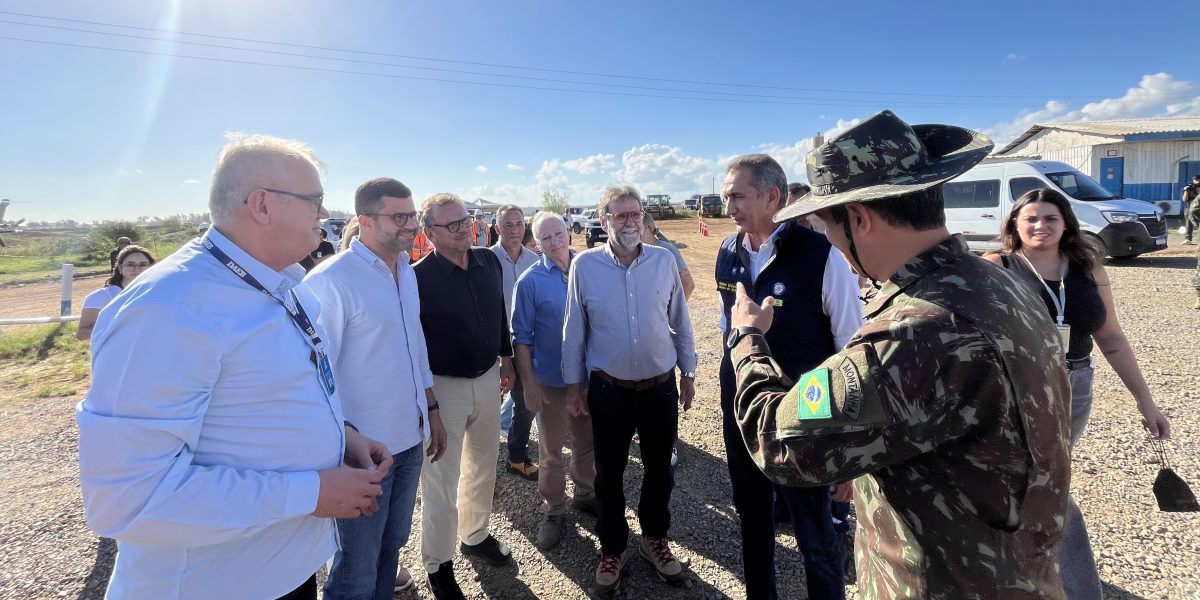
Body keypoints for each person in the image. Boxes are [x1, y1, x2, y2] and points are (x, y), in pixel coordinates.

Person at [728, 110, 1072, 598]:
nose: (829, 242)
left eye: (827, 225)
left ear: (861, 218)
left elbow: (778, 440)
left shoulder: (917, 331)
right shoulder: (1000, 282)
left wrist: (746, 339)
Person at [77, 133, 392, 599]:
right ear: (262, 205)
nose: (325, 216)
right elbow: (126, 500)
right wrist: (312, 493)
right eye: (316, 201)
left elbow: (270, 395)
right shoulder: (168, 307)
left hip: (286, 572)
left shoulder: (286, 282)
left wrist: (342, 437)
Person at [984, 188, 1171, 599]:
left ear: (1066, 223)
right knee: (1043, 480)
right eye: (1030, 218)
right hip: (1018, 385)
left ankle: (1048, 575)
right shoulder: (997, 267)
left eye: (1050, 218)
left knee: (1043, 478)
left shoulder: (1087, 269)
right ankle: (1070, 586)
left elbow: (1113, 340)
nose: (1040, 226)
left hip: (1075, 384)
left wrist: (1146, 401)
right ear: (1015, 224)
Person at [716, 153, 861, 600]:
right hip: (744, 412)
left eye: (737, 196)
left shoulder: (822, 255)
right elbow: (729, 330)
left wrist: (850, 448)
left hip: (809, 415)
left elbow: (851, 350)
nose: (728, 208)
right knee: (753, 521)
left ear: (772, 196)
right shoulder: (727, 251)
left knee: (814, 533)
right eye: (726, 197)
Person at [305, 177, 450, 600]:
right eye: (399, 216)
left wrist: (433, 409)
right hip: (362, 455)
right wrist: (340, 445)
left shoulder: (405, 270)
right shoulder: (332, 280)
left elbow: (415, 348)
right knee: (355, 567)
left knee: (390, 548)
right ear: (366, 221)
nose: (411, 224)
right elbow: (315, 374)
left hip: (409, 439)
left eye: (412, 215)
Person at [563, 185, 697, 595]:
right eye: (619, 216)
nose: (629, 221)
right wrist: (574, 386)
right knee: (609, 474)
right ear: (603, 222)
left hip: (659, 390)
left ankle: (654, 538)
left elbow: (681, 320)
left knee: (660, 469)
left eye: (635, 214)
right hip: (609, 391)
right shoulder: (584, 267)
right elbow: (574, 331)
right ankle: (612, 546)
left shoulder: (663, 261)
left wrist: (688, 373)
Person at [413, 193, 517, 600]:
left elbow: (500, 311)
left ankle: (475, 535)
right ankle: (438, 564)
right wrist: (430, 402)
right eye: (453, 224)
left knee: (483, 465)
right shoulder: (418, 277)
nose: (465, 229)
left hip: (489, 378)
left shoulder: (488, 261)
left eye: (467, 220)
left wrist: (506, 358)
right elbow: (414, 345)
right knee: (440, 479)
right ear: (430, 232)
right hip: (444, 388)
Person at [511, 212, 597, 550]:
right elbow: (521, 338)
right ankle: (553, 508)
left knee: (586, 443)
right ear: (537, 243)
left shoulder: (589, 269)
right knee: (550, 452)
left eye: (558, 234)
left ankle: (585, 495)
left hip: (589, 378)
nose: (554, 242)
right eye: (545, 238)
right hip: (551, 381)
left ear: (570, 234)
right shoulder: (530, 282)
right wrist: (529, 384)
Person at [490, 204, 541, 481]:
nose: (514, 230)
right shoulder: (485, 260)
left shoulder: (534, 260)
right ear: (497, 228)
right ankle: (482, 458)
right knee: (486, 404)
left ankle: (516, 456)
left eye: (519, 224)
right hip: (492, 347)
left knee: (525, 400)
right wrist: (501, 359)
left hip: (523, 344)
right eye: (508, 225)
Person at [76, 244, 156, 342]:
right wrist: (118, 328)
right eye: (130, 265)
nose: (137, 269)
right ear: (120, 268)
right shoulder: (101, 296)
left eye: (143, 265)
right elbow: (81, 334)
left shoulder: (156, 293)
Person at [641, 213, 694, 300]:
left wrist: (676, 310)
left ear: (648, 229)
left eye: (637, 229)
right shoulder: (640, 251)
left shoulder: (667, 250)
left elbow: (688, 283)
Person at [1180, 175, 1199, 245]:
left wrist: (1197, 190)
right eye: (1195, 180)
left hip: (1198, 207)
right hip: (1189, 207)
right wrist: (1186, 191)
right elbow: (1184, 199)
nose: (1196, 181)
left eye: (1198, 180)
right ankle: (1188, 239)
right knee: (1188, 223)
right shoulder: (1190, 187)